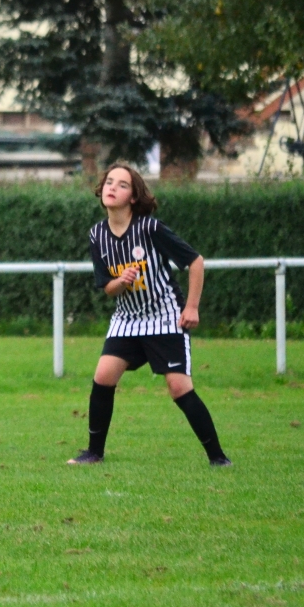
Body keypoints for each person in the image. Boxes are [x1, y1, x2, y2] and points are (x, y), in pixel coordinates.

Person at [68, 162, 231, 467]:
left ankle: (218, 458)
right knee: (103, 377)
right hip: (127, 319)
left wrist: (191, 307)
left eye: (122, 184)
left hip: (164, 316)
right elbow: (107, 289)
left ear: (133, 197)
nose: (112, 187)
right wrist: (120, 281)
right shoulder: (97, 235)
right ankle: (94, 453)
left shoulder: (149, 228)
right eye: (109, 182)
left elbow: (195, 261)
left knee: (178, 387)